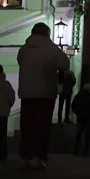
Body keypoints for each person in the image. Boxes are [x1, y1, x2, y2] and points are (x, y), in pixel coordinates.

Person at [16, 22, 70, 170]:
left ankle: (26, 155)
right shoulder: (51, 49)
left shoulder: (23, 49)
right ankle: (38, 156)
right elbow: (65, 63)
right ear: (47, 33)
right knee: (41, 126)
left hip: (27, 93)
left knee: (27, 126)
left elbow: (20, 61)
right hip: (45, 93)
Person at [71, 82, 90, 155]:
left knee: (78, 135)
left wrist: (78, 113)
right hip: (89, 118)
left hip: (81, 117)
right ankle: (85, 151)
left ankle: (76, 150)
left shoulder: (78, 96)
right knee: (87, 136)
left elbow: (74, 106)